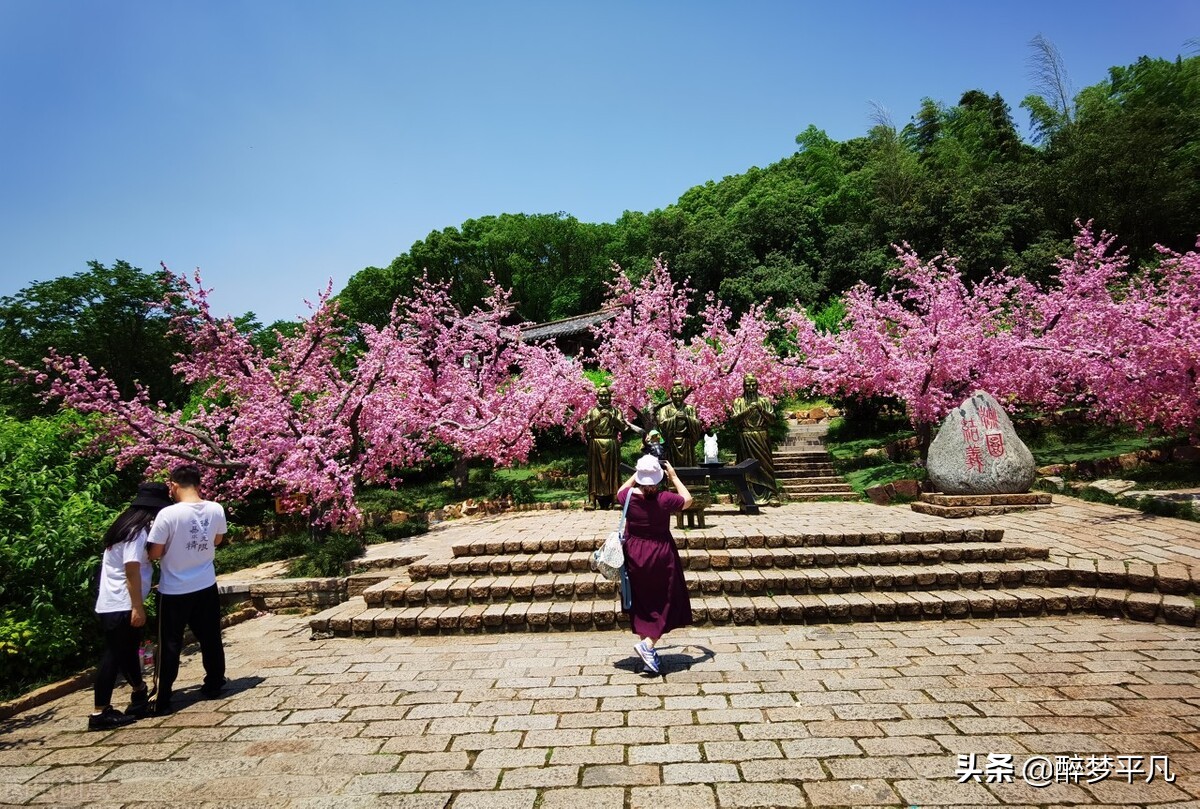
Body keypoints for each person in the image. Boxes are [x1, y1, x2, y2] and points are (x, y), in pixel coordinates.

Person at [89, 482, 173, 731]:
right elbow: (132, 571)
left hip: (112, 602)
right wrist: (138, 606)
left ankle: (139, 691)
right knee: (113, 656)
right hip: (123, 603)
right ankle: (99, 712)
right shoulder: (137, 532)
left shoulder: (124, 525)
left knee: (125, 652)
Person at [146, 464, 228, 714]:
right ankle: (214, 683)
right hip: (205, 584)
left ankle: (163, 697)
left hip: (174, 589)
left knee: (170, 642)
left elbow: (154, 552)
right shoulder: (216, 508)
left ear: (173, 485)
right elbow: (217, 539)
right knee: (211, 636)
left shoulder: (168, 515)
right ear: (199, 484)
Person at [616, 455, 693, 676]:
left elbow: (621, 489)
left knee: (642, 602)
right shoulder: (665, 499)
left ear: (639, 476)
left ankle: (647, 652)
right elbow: (687, 500)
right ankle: (648, 645)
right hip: (660, 553)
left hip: (634, 554)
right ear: (658, 479)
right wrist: (674, 476)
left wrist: (638, 475)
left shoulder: (628, 497)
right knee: (667, 600)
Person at [584, 387, 642, 510]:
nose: (604, 398)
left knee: (614, 472)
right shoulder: (592, 411)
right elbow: (586, 427)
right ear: (597, 397)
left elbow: (622, 427)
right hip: (596, 443)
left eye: (606, 395)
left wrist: (611, 417)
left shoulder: (616, 411)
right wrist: (599, 417)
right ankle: (592, 500)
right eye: (601, 395)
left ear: (610, 397)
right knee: (595, 473)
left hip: (612, 442)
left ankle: (616, 499)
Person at [730, 374, 778, 504]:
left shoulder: (765, 401)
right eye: (747, 385)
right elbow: (734, 421)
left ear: (757, 385)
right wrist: (748, 410)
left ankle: (771, 494)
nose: (751, 387)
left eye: (753, 385)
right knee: (746, 466)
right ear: (743, 386)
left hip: (762, 436)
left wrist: (761, 409)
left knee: (765, 465)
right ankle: (745, 496)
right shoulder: (738, 402)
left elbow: (773, 419)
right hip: (745, 437)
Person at [655, 381, 702, 468]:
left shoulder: (690, 409)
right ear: (671, 395)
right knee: (672, 468)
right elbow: (661, 424)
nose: (677, 397)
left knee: (689, 469)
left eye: (680, 394)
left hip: (687, 442)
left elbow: (698, 424)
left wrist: (687, 418)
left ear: (684, 394)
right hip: (671, 442)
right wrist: (674, 418)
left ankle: (689, 482)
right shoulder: (665, 409)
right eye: (675, 394)